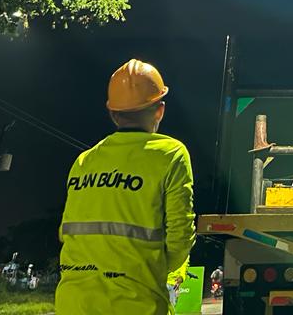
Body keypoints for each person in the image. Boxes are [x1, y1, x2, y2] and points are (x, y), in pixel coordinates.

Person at [55, 59, 195, 315]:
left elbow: (67, 233)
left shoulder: (84, 162)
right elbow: (180, 237)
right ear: (159, 110)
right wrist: (152, 271)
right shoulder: (171, 154)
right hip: (137, 303)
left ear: (112, 112)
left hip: (72, 304)